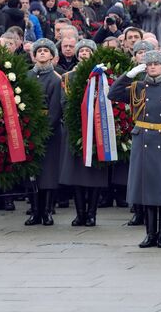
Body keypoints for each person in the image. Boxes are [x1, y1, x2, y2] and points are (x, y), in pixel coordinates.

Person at [108, 50, 161, 248]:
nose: (152, 66)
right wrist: (128, 75)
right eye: (149, 64)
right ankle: (150, 233)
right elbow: (113, 94)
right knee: (146, 191)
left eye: (157, 64)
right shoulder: (138, 87)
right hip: (143, 141)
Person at [59, 39, 108, 226]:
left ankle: (92, 213)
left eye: (88, 50)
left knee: (94, 174)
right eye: (82, 51)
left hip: (96, 129)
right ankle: (80, 213)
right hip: (76, 128)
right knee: (76, 174)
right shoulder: (68, 77)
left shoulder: (100, 75)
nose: (84, 53)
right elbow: (64, 102)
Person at [25, 39, 62, 226]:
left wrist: (44, 130)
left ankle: (47, 211)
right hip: (29, 129)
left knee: (48, 172)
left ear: (52, 56)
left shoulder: (56, 79)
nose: (41, 53)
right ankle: (35, 210)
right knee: (32, 172)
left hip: (50, 131)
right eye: (38, 50)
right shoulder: (26, 77)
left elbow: (56, 110)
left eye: (45, 50)